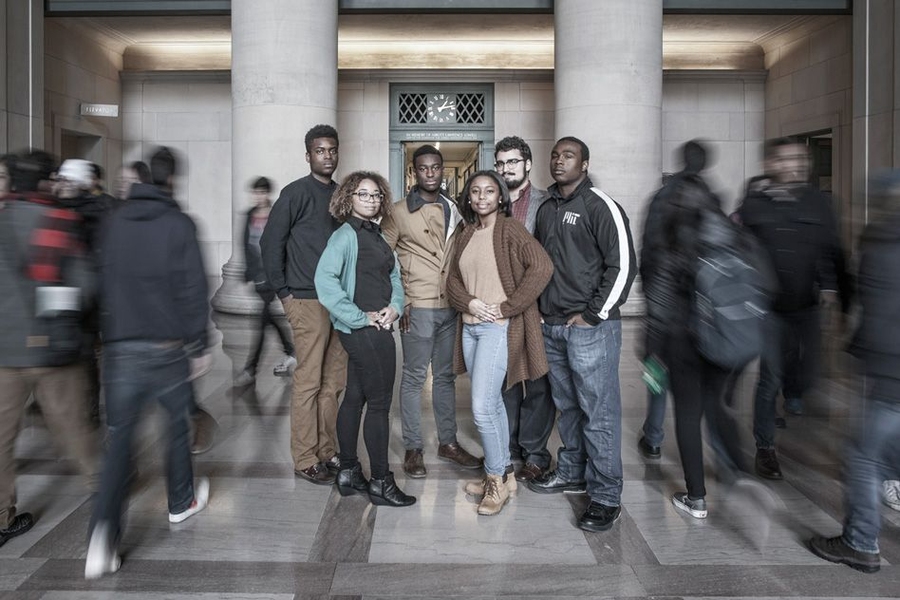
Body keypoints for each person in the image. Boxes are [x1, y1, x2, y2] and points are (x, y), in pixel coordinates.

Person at [85, 146, 211, 579]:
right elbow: (193, 289)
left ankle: (102, 537)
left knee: (119, 443)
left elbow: (99, 279)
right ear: (172, 180)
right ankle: (180, 502)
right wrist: (199, 345)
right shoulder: (180, 224)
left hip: (120, 349)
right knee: (176, 428)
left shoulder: (115, 222)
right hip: (166, 348)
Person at [528, 136, 637, 533]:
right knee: (568, 407)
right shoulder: (546, 209)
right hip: (552, 325)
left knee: (599, 412)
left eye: (568, 156)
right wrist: (541, 314)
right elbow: (540, 265)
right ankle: (572, 472)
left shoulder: (599, 205)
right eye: (555, 155)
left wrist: (593, 315)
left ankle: (606, 496)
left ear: (585, 164)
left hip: (590, 328)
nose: (559, 161)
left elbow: (622, 266)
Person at [0, 150, 100, 549]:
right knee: (74, 427)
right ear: (46, 181)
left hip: (2, 353)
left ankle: (2, 517)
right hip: (51, 350)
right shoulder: (60, 220)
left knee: (1, 438)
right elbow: (84, 287)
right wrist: (46, 315)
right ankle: (104, 489)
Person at [642, 174, 753, 519]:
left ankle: (696, 497)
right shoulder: (731, 236)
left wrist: (652, 349)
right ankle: (737, 477)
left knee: (688, 417)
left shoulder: (671, 241)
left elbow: (659, 303)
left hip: (682, 341)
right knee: (720, 408)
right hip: (725, 340)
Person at [736, 137, 847, 480]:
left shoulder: (820, 203)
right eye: (785, 159)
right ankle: (765, 447)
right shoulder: (754, 204)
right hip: (768, 308)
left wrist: (832, 288)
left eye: (800, 158)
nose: (795, 165)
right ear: (771, 164)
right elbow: (737, 248)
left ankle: (796, 391)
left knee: (809, 372)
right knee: (770, 378)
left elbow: (832, 250)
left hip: (807, 306)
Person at [807, 170, 900, 574]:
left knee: (862, 455)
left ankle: (860, 542)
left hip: (890, 370)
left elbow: (874, 309)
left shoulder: (879, 239)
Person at [447, 170, 553, 516]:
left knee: (480, 407)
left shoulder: (509, 229)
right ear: (469, 197)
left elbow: (541, 266)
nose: (481, 197)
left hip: (497, 330)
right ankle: (505, 473)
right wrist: (470, 303)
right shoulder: (466, 232)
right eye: (475, 191)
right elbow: (452, 282)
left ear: (500, 197)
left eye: (489, 191)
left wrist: (508, 308)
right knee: (491, 405)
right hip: (470, 328)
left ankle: (494, 482)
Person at [314, 171, 415, 507]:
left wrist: (395, 307)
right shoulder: (344, 236)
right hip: (364, 332)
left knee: (355, 397)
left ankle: (348, 471)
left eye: (375, 195)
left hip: (379, 324)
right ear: (348, 198)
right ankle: (382, 483)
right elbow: (325, 282)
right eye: (363, 194)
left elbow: (394, 277)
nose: (370, 200)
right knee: (381, 404)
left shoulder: (378, 236)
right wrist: (360, 318)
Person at [381, 144, 481, 478]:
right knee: (412, 378)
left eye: (435, 167)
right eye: (423, 168)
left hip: (450, 307)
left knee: (446, 378)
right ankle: (413, 448)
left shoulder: (455, 209)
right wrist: (401, 300)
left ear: (441, 169)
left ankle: (448, 443)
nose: (430, 173)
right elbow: (383, 259)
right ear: (414, 172)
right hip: (417, 306)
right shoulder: (397, 212)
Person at [260, 124, 347, 485]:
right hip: (306, 300)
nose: (326, 156)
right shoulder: (295, 193)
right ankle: (305, 457)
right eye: (319, 150)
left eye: (331, 150)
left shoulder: (344, 196)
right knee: (309, 381)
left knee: (334, 382)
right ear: (308, 154)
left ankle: (327, 451)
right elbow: (269, 243)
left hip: (340, 303)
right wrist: (284, 293)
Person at [637, 140, 718, 460]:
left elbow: (647, 247)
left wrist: (648, 289)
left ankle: (654, 435)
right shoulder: (709, 198)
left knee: (656, 366)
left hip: (661, 296)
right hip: (696, 300)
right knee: (693, 373)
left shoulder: (663, 195)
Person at [493, 136, 554, 482]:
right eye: (501, 163)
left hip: (538, 309)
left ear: (528, 164)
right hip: (500, 310)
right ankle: (510, 445)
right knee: (505, 382)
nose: (505, 169)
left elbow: (551, 259)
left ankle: (535, 453)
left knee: (539, 384)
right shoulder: (492, 201)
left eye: (512, 162)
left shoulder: (546, 203)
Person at [234, 176, 297, 386]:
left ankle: (251, 369)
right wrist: (249, 272)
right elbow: (245, 245)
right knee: (267, 318)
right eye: (256, 192)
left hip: (273, 275)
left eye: (262, 192)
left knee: (262, 321)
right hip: (259, 276)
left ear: (268, 194)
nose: (259, 196)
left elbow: (284, 244)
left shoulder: (276, 215)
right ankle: (290, 350)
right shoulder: (249, 216)